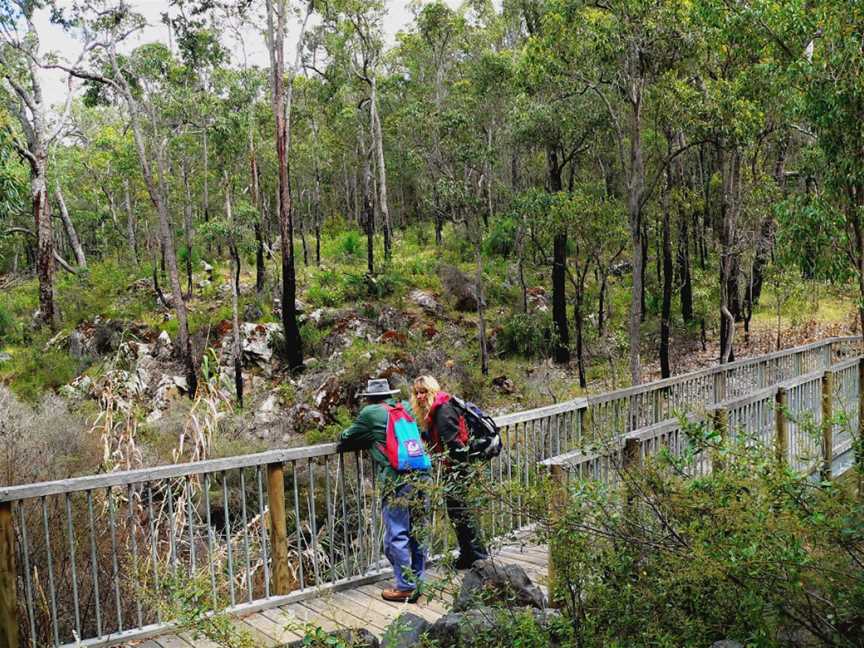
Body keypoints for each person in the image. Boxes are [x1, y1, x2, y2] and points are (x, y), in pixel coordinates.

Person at [337, 378, 429, 602]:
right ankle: (418, 581)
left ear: (369, 397)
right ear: (389, 393)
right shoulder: (405, 407)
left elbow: (347, 437)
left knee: (396, 533)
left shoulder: (370, 413)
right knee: (418, 530)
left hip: (396, 479)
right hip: (421, 473)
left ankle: (405, 586)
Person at [410, 375, 489, 569]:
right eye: (417, 393)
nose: (420, 396)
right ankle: (469, 555)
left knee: (462, 512)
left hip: (458, 469)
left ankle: (479, 558)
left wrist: (456, 469)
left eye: (424, 392)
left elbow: (453, 442)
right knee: (458, 512)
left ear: (432, 392)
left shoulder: (443, 410)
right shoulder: (439, 408)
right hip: (456, 467)